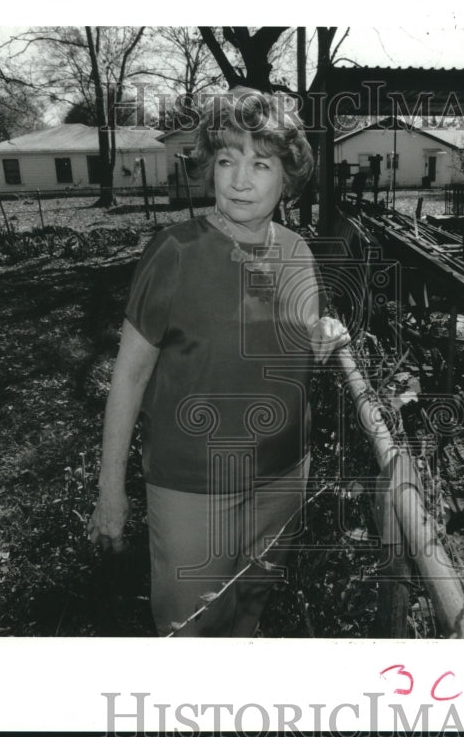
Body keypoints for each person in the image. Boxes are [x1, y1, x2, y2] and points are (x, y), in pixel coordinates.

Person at [87, 87, 350, 637]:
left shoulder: (298, 252)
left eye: (261, 163)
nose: (240, 180)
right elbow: (129, 376)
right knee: (193, 630)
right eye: (227, 161)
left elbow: (300, 334)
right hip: (193, 486)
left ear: (288, 174)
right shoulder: (174, 252)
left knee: (248, 612)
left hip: (283, 476)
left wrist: (326, 333)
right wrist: (111, 491)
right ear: (209, 168)